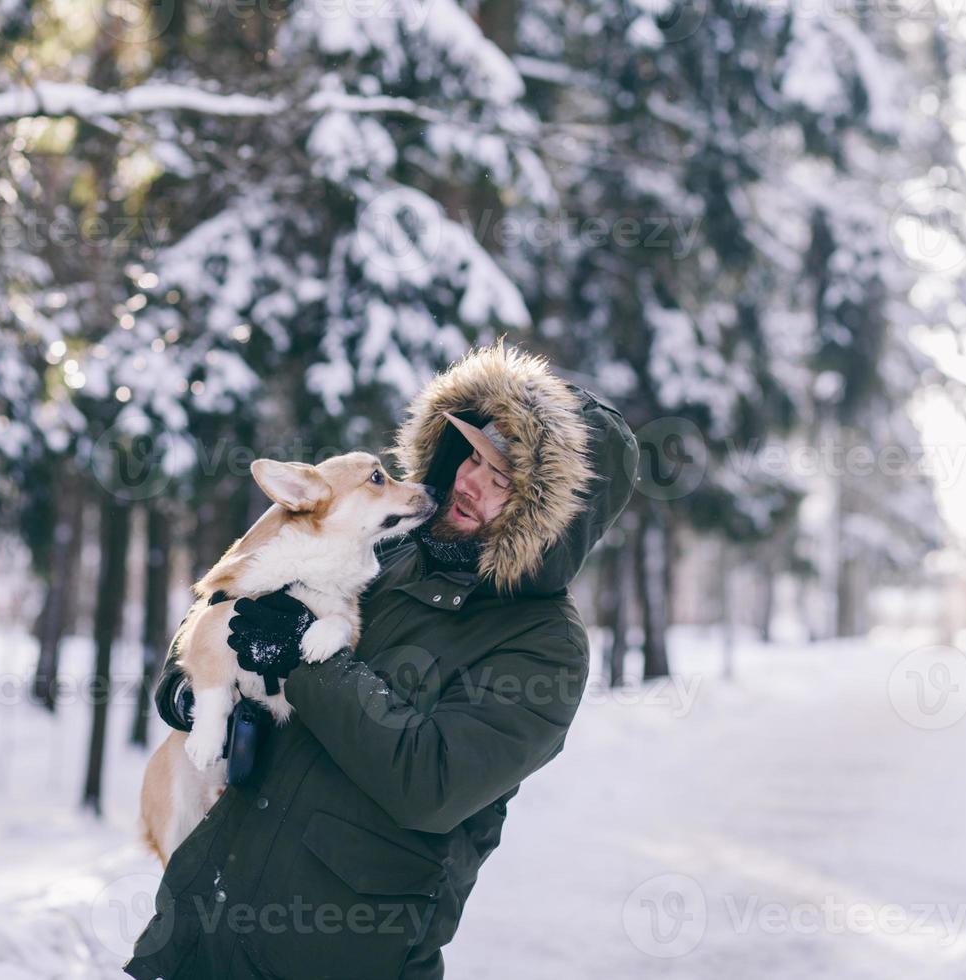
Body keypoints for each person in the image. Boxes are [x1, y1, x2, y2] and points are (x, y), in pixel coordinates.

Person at [124, 341, 637, 980]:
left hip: (335, 955)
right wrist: (191, 690)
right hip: (197, 930)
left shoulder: (544, 645)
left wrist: (305, 664)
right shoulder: (387, 548)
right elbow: (230, 606)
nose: (469, 482)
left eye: (502, 480)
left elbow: (431, 785)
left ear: (553, 517)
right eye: (473, 457)